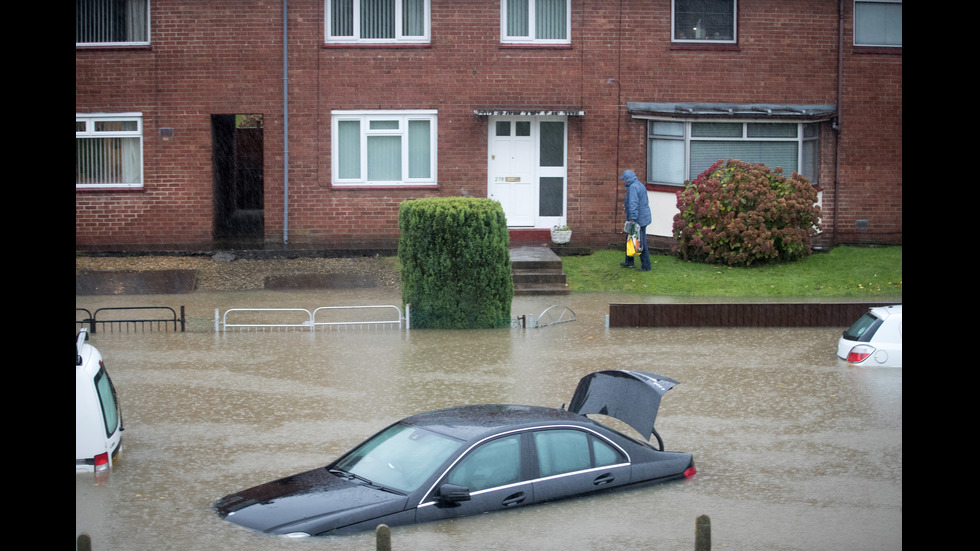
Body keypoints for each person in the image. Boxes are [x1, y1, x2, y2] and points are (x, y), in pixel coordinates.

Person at [620, 169, 652, 271]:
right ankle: (629, 261)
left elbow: (633, 203)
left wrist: (632, 219)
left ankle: (646, 266)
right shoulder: (640, 185)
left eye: (624, 179)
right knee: (629, 239)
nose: (624, 181)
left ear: (628, 178)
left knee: (640, 242)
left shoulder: (633, 187)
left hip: (638, 219)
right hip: (643, 217)